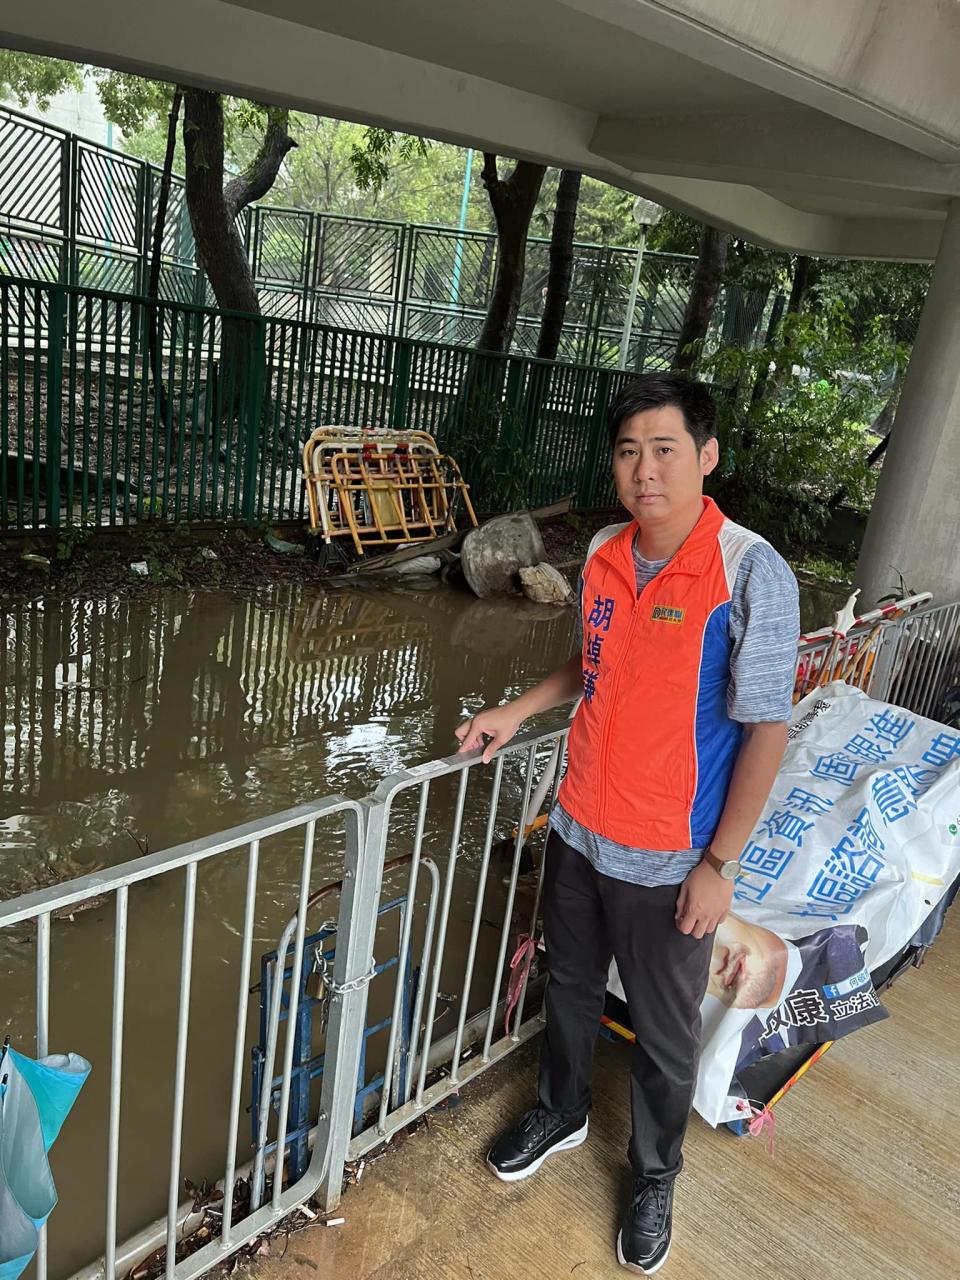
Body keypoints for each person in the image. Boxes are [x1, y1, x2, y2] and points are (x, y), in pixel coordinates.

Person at [456, 373, 799, 1275]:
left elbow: (767, 727)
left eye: (665, 449)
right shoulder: (608, 549)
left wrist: (719, 863)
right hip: (578, 828)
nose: (645, 470)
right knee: (567, 987)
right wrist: (517, 711)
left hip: (672, 855)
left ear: (706, 456)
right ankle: (562, 1113)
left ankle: (655, 1174)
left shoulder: (749, 570)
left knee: (663, 1026)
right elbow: (592, 664)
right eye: (627, 451)